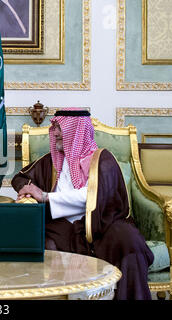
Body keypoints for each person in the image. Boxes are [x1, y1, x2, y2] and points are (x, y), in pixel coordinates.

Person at [11, 108, 154, 300]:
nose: (55, 133)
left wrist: (44, 196)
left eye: (59, 128)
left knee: (129, 241)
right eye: (54, 128)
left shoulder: (103, 160)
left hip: (102, 224)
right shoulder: (51, 161)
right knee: (41, 243)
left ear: (75, 131)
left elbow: (93, 196)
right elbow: (20, 178)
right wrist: (29, 188)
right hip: (61, 225)